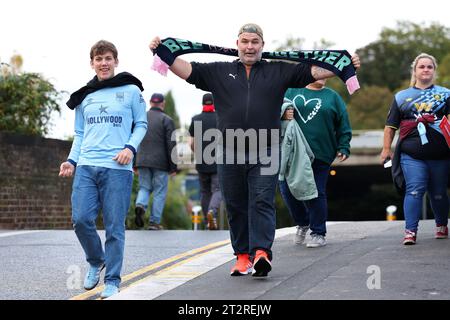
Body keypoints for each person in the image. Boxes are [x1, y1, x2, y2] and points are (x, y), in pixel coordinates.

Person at [149, 23, 360, 277]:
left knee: (262, 201)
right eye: (245, 41)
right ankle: (241, 257)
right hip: (229, 149)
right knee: (236, 204)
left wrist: (344, 64)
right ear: (236, 44)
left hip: (267, 148)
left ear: (262, 45)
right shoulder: (218, 71)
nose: (250, 46)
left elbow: (315, 72)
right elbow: (187, 71)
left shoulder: (278, 71)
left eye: (255, 42)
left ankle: (261, 253)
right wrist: (164, 53)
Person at [59, 40, 148, 298]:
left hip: (118, 168)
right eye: (99, 59)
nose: (104, 63)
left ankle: (112, 280)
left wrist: (130, 148)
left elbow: (141, 124)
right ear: (92, 63)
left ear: (116, 61)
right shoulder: (84, 96)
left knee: (114, 227)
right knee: (81, 220)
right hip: (86, 165)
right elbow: (79, 133)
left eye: (108, 58)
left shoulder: (131, 90)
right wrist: (71, 160)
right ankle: (96, 260)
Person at [380, 53, 450, 245]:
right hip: (412, 155)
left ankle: (442, 225)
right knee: (414, 190)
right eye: (422, 67)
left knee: (438, 193)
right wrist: (386, 149)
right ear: (415, 71)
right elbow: (390, 126)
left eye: (429, 67)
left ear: (434, 71)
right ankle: (410, 232)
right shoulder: (401, 96)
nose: (426, 70)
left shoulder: (446, 94)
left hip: (441, 155)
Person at [280, 79, 352, 248]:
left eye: (325, 72)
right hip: (292, 153)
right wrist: (283, 112)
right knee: (286, 189)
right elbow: (272, 109)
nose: (322, 75)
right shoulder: (291, 90)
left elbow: (343, 123)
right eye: (318, 70)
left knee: (317, 192)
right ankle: (303, 222)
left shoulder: (333, 97)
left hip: (321, 152)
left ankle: (318, 233)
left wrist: (344, 145)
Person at [134, 93, 177, 230]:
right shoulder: (167, 120)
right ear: (163, 104)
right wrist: (173, 167)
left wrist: (134, 162)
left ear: (150, 103)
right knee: (159, 191)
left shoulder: (141, 118)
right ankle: (154, 222)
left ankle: (140, 204)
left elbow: (134, 139)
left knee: (144, 187)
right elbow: (171, 145)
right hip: (161, 163)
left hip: (142, 160)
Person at [188, 93, 222, 230]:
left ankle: (208, 221)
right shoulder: (219, 118)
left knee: (204, 191)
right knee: (218, 189)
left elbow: (191, 143)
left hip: (201, 162)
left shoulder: (196, 119)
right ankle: (212, 212)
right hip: (218, 161)